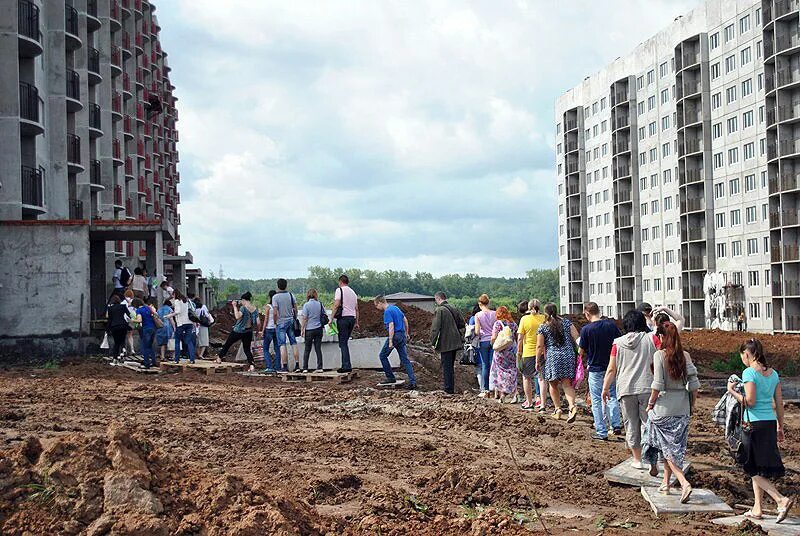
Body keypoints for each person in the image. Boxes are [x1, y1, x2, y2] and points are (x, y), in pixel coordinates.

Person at [727, 338, 794, 522]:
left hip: (753, 425)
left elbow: (749, 401)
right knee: (760, 466)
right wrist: (780, 425)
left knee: (750, 467)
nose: (743, 359)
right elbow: (779, 403)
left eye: (742, 356)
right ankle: (757, 508)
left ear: (747, 354)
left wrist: (731, 390)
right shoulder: (773, 374)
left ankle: (781, 499)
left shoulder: (749, 372)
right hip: (769, 423)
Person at [641, 322, 699, 502]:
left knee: (666, 449)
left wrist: (650, 404)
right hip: (682, 408)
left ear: (663, 337)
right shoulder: (685, 356)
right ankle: (665, 482)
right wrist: (691, 405)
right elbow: (695, 384)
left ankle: (683, 482)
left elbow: (657, 384)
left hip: (664, 408)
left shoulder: (659, 355)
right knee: (673, 448)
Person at [603, 310, 658, 469]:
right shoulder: (651, 338)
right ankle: (651, 460)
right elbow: (664, 357)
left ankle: (637, 460)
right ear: (642, 324)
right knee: (649, 424)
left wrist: (605, 388)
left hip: (625, 389)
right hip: (648, 387)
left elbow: (611, 369)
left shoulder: (617, 343)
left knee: (631, 424)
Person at [579, 302, 623, 440]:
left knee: (597, 399)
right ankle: (616, 425)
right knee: (613, 396)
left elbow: (581, 351)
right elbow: (619, 342)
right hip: (611, 366)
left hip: (595, 368)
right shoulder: (610, 325)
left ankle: (601, 431)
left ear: (587, 313)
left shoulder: (586, 330)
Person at [536, 303, 580, 421]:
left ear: (545, 313)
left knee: (553, 384)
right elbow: (577, 338)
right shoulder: (567, 323)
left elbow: (540, 346)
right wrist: (581, 353)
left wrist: (537, 361)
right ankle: (572, 406)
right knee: (567, 384)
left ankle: (558, 409)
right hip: (568, 354)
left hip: (553, 356)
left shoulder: (543, 326)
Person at [374, 295, 416, 389]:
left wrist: (390, 341)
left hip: (395, 336)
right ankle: (413, 381)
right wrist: (406, 333)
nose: (377, 308)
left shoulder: (387, 311)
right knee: (405, 360)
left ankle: (390, 377)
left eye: (377, 305)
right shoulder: (396, 308)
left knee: (382, 356)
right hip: (401, 335)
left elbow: (391, 325)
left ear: (380, 303)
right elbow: (405, 320)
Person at [430, 291, 464, 394]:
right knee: (450, 366)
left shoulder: (440, 310)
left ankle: (448, 389)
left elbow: (435, 328)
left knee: (447, 367)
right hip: (456, 342)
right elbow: (462, 323)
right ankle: (450, 388)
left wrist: (433, 342)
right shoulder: (454, 308)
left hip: (446, 344)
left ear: (438, 299)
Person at [517, 299, 547, 410]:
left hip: (528, 352)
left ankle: (529, 403)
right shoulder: (544, 318)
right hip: (542, 352)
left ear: (529, 307)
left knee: (526, 378)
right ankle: (543, 405)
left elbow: (520, 338)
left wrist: (519, 352)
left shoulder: (524, 319)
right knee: (542, 379)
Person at [217, 292, 258, 371]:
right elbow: (258, 322)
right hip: (248, 331)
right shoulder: (254, 309)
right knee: (247, 349)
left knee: (228, 344)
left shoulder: (243, 308)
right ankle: (252, 365)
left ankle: (219, 358)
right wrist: (257, 330)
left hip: (238, 330)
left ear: (243, 300)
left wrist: (234, 306)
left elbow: (237, 316)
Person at [490, 306, 519, 403]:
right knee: (512, 371)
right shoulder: (513, 324)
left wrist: (493, 344)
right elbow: (516, 337)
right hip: (511, 351)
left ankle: (502, 395)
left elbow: (494, 337)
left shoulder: (498, 324)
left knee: (500, 372)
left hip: (501, 352)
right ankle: (515, 393)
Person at [332, 274, 359, 373]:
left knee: (343, 343)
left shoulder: (339, 290)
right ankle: (346, 364)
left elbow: (336, 304)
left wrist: (331, 318)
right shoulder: (353, 293)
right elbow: (357, 309)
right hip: (352, 318)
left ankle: (346, 366)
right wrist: (357, 322)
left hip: (343, 318)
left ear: (340, 282)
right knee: (344, 342)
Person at [273, 278, 300, 372]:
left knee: (282, 344)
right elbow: (296, 309)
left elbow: (275, 312)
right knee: (293, 342)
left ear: (278, 286)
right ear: (286, 285)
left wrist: (275, 322)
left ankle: (284, 366)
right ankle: (297, 365)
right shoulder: (291, 295)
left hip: (281, 322)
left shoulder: (275, 297)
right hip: (291, 321)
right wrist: (294, 318)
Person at [474, 294, 497, 398]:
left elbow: (477, 331)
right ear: (488, 303)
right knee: (494, 365)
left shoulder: (478, 315)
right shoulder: (495, 314)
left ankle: (485, 389)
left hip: (483, 341)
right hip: (494, 341)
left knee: (485, 365)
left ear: (480, 303)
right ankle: (496, 390)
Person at [165, 290, 197, 364]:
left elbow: (177, 311)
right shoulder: (186, 300)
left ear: (175, 294)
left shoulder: (177, 301)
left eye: (173, 296)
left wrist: (168, 316)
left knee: (177, 341)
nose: (172, 298)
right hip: (189, 322)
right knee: (189, 341)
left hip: (181, 323)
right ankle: (192, 359)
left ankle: (176, 359)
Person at [300, 289, 326, 373]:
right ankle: (320, 367)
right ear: (315, 295)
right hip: (318, 329)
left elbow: (304, 318)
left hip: (309, 329)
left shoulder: (306, 305)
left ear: (308, 295)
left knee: (307, 349)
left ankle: (305, 368)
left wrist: (302, 329)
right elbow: (324, 314)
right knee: (318, 348)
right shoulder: (320, 304)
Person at [133, 297, 157, 369]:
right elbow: (155, 314)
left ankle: (147, 364)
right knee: (150, 346)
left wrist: (131, 320)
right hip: (153, 328)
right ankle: (153, 361)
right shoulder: (148, 308)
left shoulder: (139, 310)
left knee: (145, 347)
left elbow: (139, 320)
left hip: (146, 329)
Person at [106, 295, 130, 363]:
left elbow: (110, 319)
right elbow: (129, 314)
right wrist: (135, 319)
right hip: (123, 325)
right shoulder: (123, 306)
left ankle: (115, 358)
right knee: (122, 340)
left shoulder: (110, 308)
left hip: (115, 326)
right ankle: (123, 350)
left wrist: (107, 329)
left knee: (116, 342)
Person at [261, 290, 279, 373]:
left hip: (269, 328)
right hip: (276, 328)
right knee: (277, 348)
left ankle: (269, 367)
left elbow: (266, 319)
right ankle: (278, 367)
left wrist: (263, 330)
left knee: (265, 348)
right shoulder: (277, 306)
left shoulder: (268, 306)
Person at [466, 304, 483, 391]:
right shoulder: (485, 316)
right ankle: (489, 388)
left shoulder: (473, 319)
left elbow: (469, 333)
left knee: (479, 367)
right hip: (486, 342)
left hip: (476, 344)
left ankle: (482, 387)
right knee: (486, 366)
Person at [156, 299, 175, 363]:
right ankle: (172, 356)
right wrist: (174, 327)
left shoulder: (159, 310)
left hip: (160, 327)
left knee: (163, 343)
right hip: (168, 327)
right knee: (170, 341)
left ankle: (162, 356)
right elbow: (171, 319)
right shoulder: (169, 309)